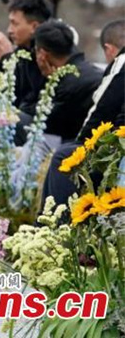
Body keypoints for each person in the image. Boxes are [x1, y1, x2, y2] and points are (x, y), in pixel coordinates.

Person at [41, 19, 125, 209]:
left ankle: (53, 225)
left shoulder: (121, 60)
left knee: (64, 157)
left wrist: (80, 144)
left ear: (109, 49)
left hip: (119, 148)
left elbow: (101, 111)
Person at [0, 0, 54, 141]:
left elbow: (31, 97)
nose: (9, 30)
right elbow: (4, 94)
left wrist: (8, 58)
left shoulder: (49, 51)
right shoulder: (23, 49)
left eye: (15, 24)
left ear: (34, 27)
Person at [31, 20, 103, 141]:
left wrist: (51, 82)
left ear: (42, 54)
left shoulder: (68, 84)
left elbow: (46, 123)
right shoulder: (87, 71)